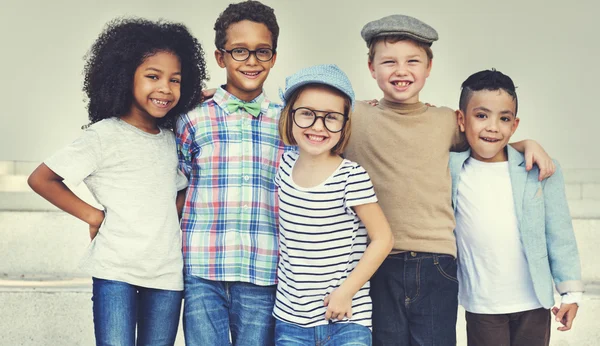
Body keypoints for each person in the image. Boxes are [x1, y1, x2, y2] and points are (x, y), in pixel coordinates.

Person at [343, 14, 556, 345]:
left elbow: (487, 140)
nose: (401, 71)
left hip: (437, 262)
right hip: (379, 260)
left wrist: (526, 144)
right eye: (389, 62)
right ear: (371, 68)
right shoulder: (355, 116)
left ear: (429, 67)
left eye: (413, 61)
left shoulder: (444, 120)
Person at [27, 18, 207, 345]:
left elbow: (177, 197)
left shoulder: (172, 141)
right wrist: (93, 215)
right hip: (116, 273)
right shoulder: (104, 136)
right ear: (124, 76)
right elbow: (42, 178)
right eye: (153, 76)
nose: (165, 88)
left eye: (176, 80)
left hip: (167, 275)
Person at [175, 1, 285, 345]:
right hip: (202, 267)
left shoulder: (288, 122)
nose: (251, 61)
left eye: (261, 51)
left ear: (273, 57)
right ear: (220, 57)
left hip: (263, 268)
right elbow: (178, 185)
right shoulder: (192, 117)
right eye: (239, 51)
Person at [450, 69, 583, 346]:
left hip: (533, 301)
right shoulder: (451, 167)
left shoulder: (539, 169)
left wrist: (570, 293)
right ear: (461, 119)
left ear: (515, 125)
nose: (493, 127)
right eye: (481, 115)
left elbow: (559, 233)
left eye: (504, 118)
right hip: (482, 303)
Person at [273, 64, 394, 345]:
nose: (318, 126)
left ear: (345, 123)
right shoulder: (283, 165)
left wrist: (346, 292)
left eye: (331, 117)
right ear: (289, 116)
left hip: (346, 318)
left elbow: (383, 238)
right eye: (306, 114)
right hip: (291, 321)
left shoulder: (351, 176)